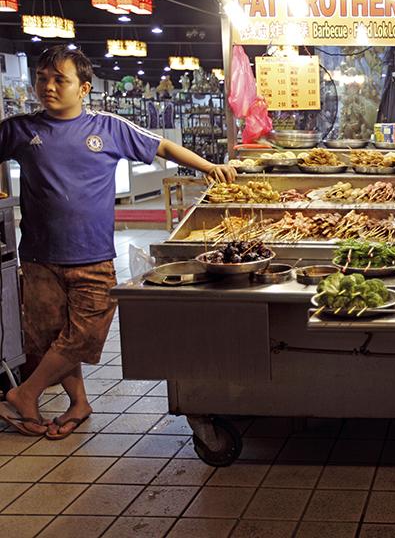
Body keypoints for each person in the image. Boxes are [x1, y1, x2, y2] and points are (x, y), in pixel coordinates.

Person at [0, 46, 236, 438]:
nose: (48, 87)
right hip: (40, 256)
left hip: (91, 254)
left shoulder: (108, 128)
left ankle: (26, 393)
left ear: (84, 88)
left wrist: (209, 166)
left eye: (60, 79)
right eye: (42, 78)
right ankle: (78, 403)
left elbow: (161, 146)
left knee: (86, 333)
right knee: (54, 336)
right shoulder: (20, 129)